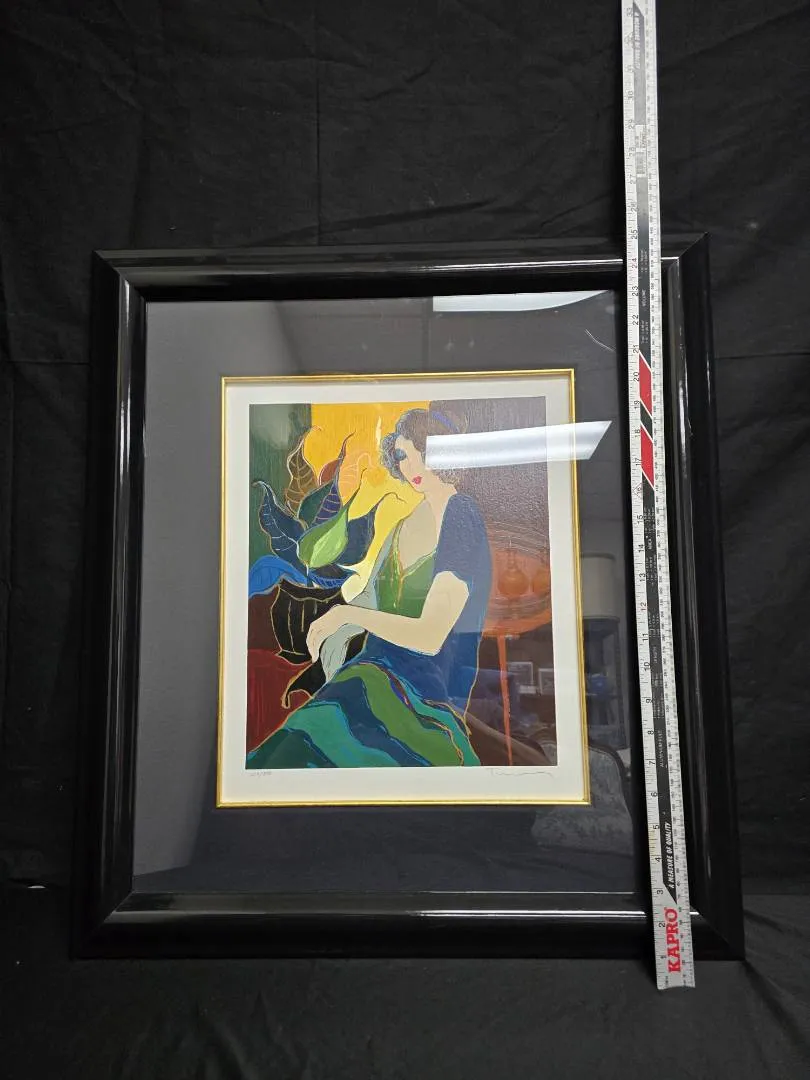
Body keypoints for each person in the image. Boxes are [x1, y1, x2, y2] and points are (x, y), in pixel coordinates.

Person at [247, 407, 493, 768]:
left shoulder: (462, 516)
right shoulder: (402, 526)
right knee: (291, 745)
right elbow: (369, 601)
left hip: (424, 696)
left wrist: (346, 615)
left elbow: (430, 636)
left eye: (422, 452)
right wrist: (331, 630)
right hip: (369, 673)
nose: (411, 466)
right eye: (403, 455)